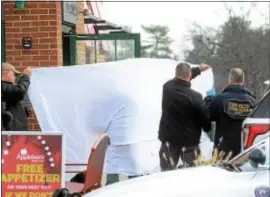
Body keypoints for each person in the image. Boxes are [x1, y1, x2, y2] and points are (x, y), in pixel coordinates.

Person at [158, 62, 212, 170]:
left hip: (169, 141)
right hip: (189, 144)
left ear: (175, 74)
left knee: (166, 176)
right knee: (191, 177)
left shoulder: (167, 88)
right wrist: (207, 126)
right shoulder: (196, 97)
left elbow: (179, 80)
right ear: (190, 76)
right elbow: (206, 122)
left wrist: (198, 70)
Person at [209, 68, 256, 158]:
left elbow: (209, 118)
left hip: (222, 149)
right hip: (245, 151)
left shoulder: (218, 99)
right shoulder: (253, 102)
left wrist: (209, 102)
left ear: (230, 80)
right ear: (242, 81)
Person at [1, 62, 32, 131]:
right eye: (14, 74)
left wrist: (24, 111)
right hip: (9, 134)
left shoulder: (6, 87)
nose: (15, 77)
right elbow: (20, 91)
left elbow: (11, 107)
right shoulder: (2, 86)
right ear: (7, 73)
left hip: (14, 132)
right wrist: (25, 77)